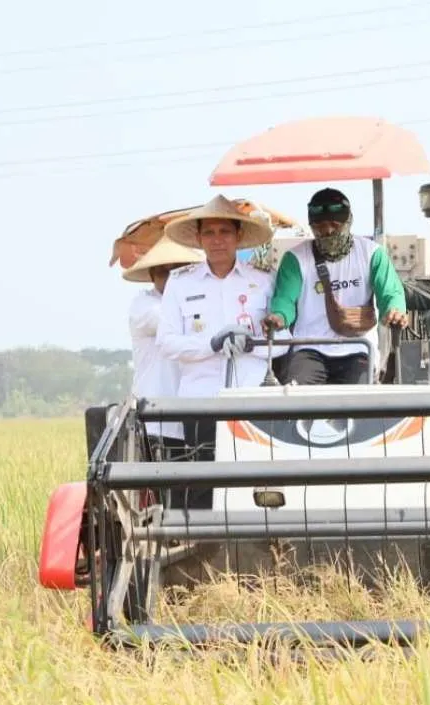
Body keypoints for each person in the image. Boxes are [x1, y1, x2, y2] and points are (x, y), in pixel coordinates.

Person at [156, 195, 285, 506]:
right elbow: (166, 342)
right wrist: (211, 344)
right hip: (200, 399)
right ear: (199, 239)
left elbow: (283, 343)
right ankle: (203, 552)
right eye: (209, 233)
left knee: (257, 484)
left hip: (252, 397)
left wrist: (251, 344)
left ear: (238, 236)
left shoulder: (263, 281)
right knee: (202, 483)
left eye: (225, 232)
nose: (217, 240)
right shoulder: (180, 282)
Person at [263, 187, 408, 385]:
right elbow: (284, 300)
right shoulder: (295, 258)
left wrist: (394, 311)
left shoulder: (372, 254)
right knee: (295, 398)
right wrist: (279, 316)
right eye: (320, 226)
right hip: (309, 348)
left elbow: (390, 293)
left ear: (349, 223)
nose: (328, 231)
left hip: (357, 348)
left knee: (358, 401)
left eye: (335, 225)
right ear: (312, 227)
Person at [122, 235, 205, 461]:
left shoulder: (199, 303)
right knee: (164, 495)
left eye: (178, 269)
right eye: (163, 271)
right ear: (151, 275)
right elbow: (181, 324)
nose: (171, 277)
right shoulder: (145, 306)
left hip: (198, 415)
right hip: (159, 421)